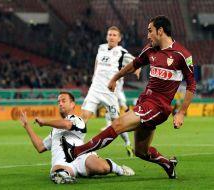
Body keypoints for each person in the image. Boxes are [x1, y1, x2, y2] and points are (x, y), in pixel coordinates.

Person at [61, 15, 196, 179]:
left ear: (160, 31)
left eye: (150, 31)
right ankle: (168, 164)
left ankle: (75, 152)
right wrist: (115, 78)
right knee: (141, 152)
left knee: (117, 123)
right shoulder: (150, 49)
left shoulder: (182, 55)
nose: (148, 35)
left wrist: (181, 112)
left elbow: (191, 84)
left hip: (159, 107)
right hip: (145, 101)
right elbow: (134, 64)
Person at [19, 91, 135, 184]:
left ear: (73, 104)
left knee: (102, 168)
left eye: (63, 100)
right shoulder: (54, 131)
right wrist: (27, 126)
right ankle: (62, 174)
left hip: (81, 157)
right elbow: (40, 147)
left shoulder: (77, 120)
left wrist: (44, 122)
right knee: (59, 172)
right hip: (63, 161)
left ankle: (119, 169)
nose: (60, 103)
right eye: (58, 101)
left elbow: (67, 125)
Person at [81, 26, 139, 157]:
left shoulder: (122, 52)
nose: (111, 37)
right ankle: (79, 146)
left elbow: (135, 62)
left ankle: (127, 143)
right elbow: (97, 62)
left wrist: (137, 70)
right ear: (107, 36)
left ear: (119, 38)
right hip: (95, 90)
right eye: (109, 34)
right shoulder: (101, 48)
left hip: (110, 94)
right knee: (84, 117)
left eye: (114, 35)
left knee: (116, 123)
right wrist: (95, 76)